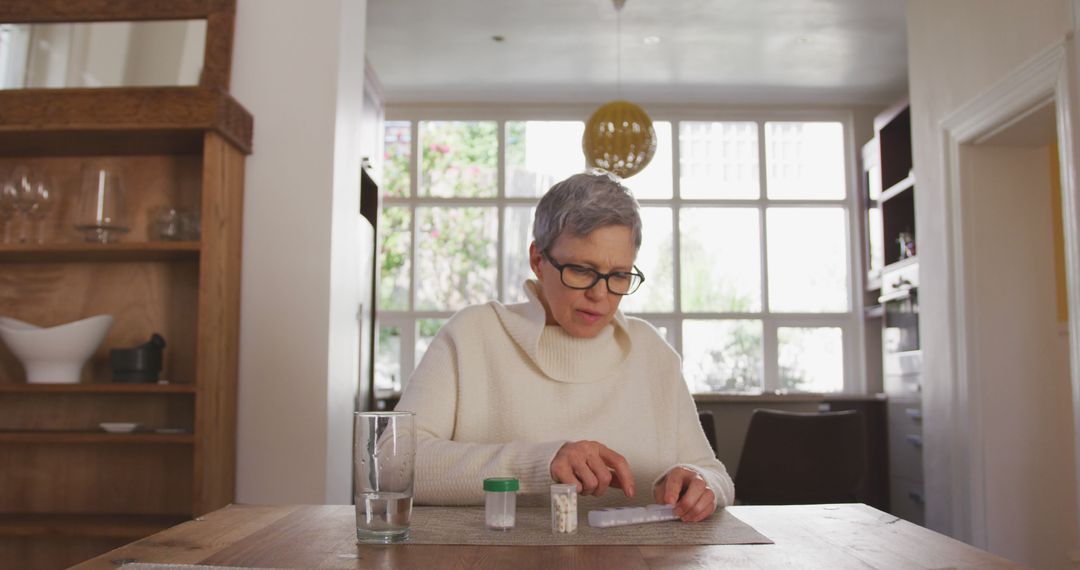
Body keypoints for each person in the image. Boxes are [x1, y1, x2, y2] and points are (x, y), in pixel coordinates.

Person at [395, 172, 734, 522]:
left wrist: (700, 483)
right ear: (538, 260)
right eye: (581, 270)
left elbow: (715, 474)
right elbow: (395, 464)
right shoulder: (470, 336)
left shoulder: (652, 352)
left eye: (619, 275)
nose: (600, 294)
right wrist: (540, 464)